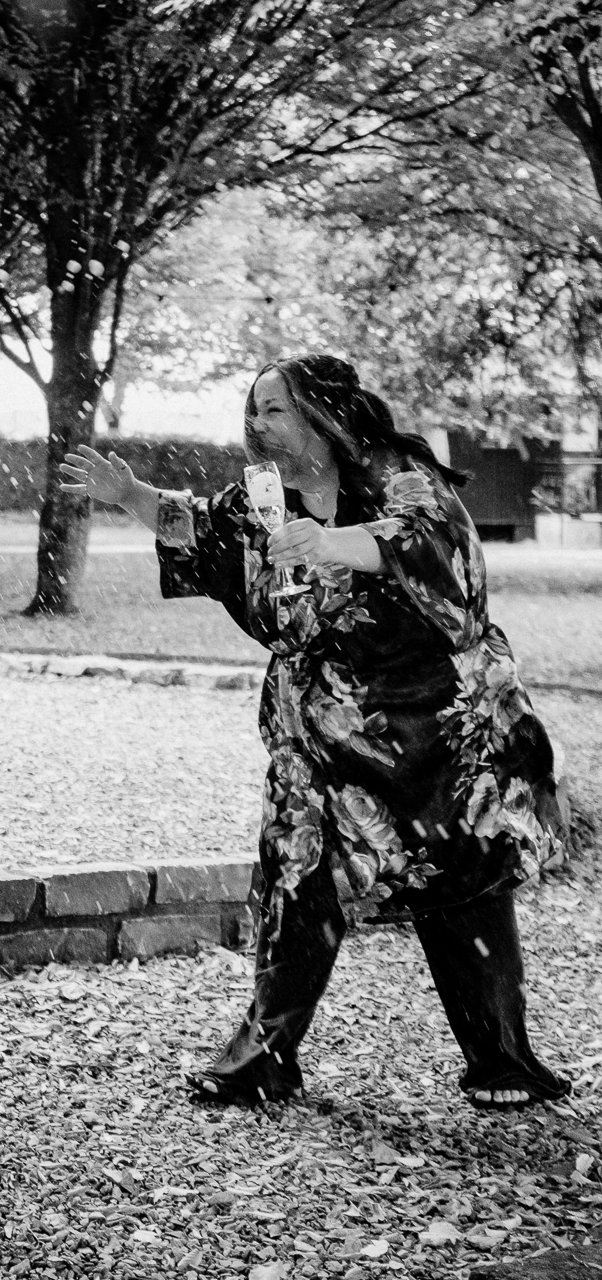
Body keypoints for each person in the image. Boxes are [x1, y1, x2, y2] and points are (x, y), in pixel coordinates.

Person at [61, 353, 569, 1110]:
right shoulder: (263, 493)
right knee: (298, 873)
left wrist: (331, 543)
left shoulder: (396, 473)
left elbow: (432, 543)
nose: (258, 426)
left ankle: (501, 1059)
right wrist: (130, 494)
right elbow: (203, 529)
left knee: (461, 879)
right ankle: (262, 1060)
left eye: (276, 410)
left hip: (436, 729)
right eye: (253, 411)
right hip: (320, 732)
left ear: (324, 413)